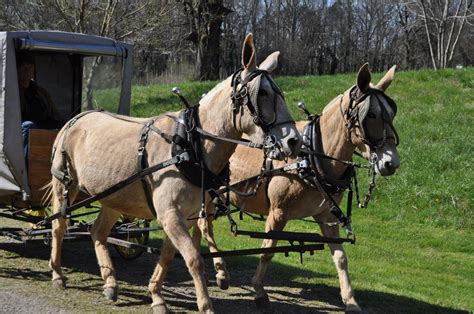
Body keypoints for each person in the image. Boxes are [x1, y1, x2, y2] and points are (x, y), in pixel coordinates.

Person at [18, 54, 62, 157]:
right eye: (24, 69)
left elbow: (54, 113)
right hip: (18, 129)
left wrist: (61, 123)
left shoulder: (41, 92)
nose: (27, 73)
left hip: (40, 126)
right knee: (28, 125)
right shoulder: (11, 90)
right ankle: (24, 168)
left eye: (30, 68)